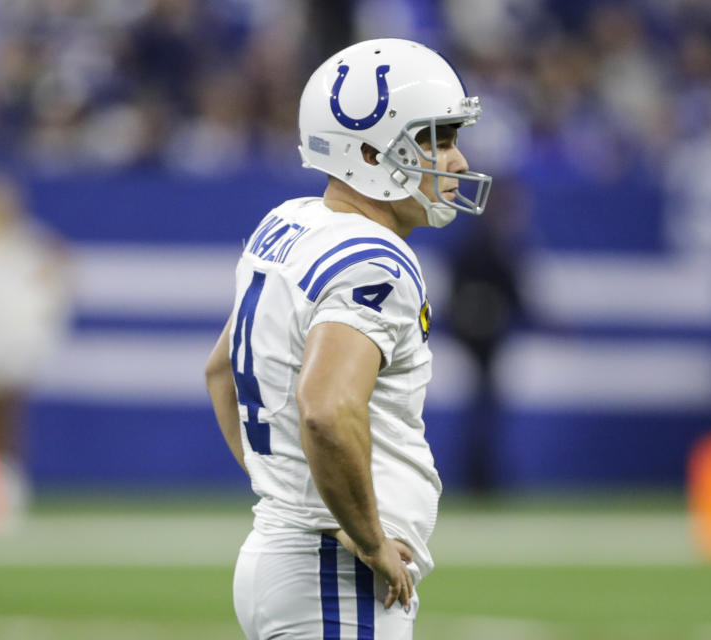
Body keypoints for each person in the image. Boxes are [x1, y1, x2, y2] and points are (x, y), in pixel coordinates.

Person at [204, 38, 491, 639]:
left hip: (277, 552)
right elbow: (329, 409)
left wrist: (292, 497)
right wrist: (366, 534)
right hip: (332, 577)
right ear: (368, 151)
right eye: (435, 138)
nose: (457, 160)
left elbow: (221, 371)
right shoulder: (375, 259)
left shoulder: (290, 223)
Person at [0, 172, 70, 535]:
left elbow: (47, 298)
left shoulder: (31, 247)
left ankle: (5, 493)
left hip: (9, 357)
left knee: (5, 426)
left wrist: (28, 347)